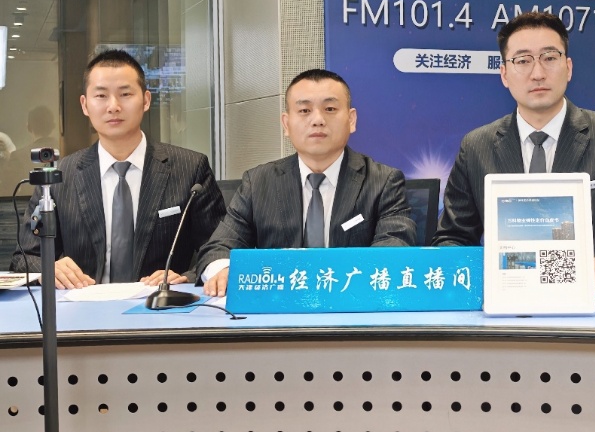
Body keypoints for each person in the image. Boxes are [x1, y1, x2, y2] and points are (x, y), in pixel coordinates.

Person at [432, 11, 595, 282]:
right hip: (507, 296)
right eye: (523, 61)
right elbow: (452, 238)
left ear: (568, 67)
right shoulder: (476, 147)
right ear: (504, 74)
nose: (538, 73)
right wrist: (486, 276)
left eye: (549, 58)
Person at [10, 50, 226, 288]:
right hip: (83, 304)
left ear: (146, 100)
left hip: (160, 303)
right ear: (85, 105)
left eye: (125, 94)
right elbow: (24, 258)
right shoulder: (59, 177)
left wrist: (188, 277)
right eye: (101, 95)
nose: (113, 106)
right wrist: (46, 269)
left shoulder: (190, 168)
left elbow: (219, 249)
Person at [196, 69, 416, 297]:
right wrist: (223, 270)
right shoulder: (259, 182)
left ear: (351, 120)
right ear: (286, 124)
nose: (318, 120)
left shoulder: (383, 181)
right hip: (277, 306)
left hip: (351, 301)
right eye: (304, 111)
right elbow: (219, 247)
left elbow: (395, 245)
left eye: (330, 109)